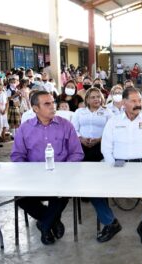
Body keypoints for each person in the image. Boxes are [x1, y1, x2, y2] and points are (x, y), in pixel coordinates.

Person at [11, 91, 84, 245]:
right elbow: (17, 156)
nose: (53, 106)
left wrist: (64, 172)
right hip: (34, 178)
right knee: (20, 198)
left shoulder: (66, 125)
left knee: (62, 193)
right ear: (35, 108)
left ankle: (44, 226)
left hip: (60, 177)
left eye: (53, 102)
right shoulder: (25, 129)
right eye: (47, 104)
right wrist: (29, 174)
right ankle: (50, 221)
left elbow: (77, 153)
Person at [101, 87, 142, 246]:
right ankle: (110, 223)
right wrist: (113, 166)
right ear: (123, 102)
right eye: (133, 101)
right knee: (94, 191)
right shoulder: (113, 122)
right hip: (118, 164)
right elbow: (106, 147)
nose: (138, 104)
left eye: (139, 101)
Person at [72, 87, 118, 243]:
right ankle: (106, 215)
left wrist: (99, 139)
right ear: (87, 99)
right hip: (82, 147)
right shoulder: (79, 113)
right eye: (92, 97)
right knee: (87, 182)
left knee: (96, 184)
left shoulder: (107, 113)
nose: (96, 99)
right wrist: (80, 138)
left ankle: (107, 216)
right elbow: (73, 129)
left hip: (101, 147)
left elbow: (112, 130)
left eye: (98, 97)